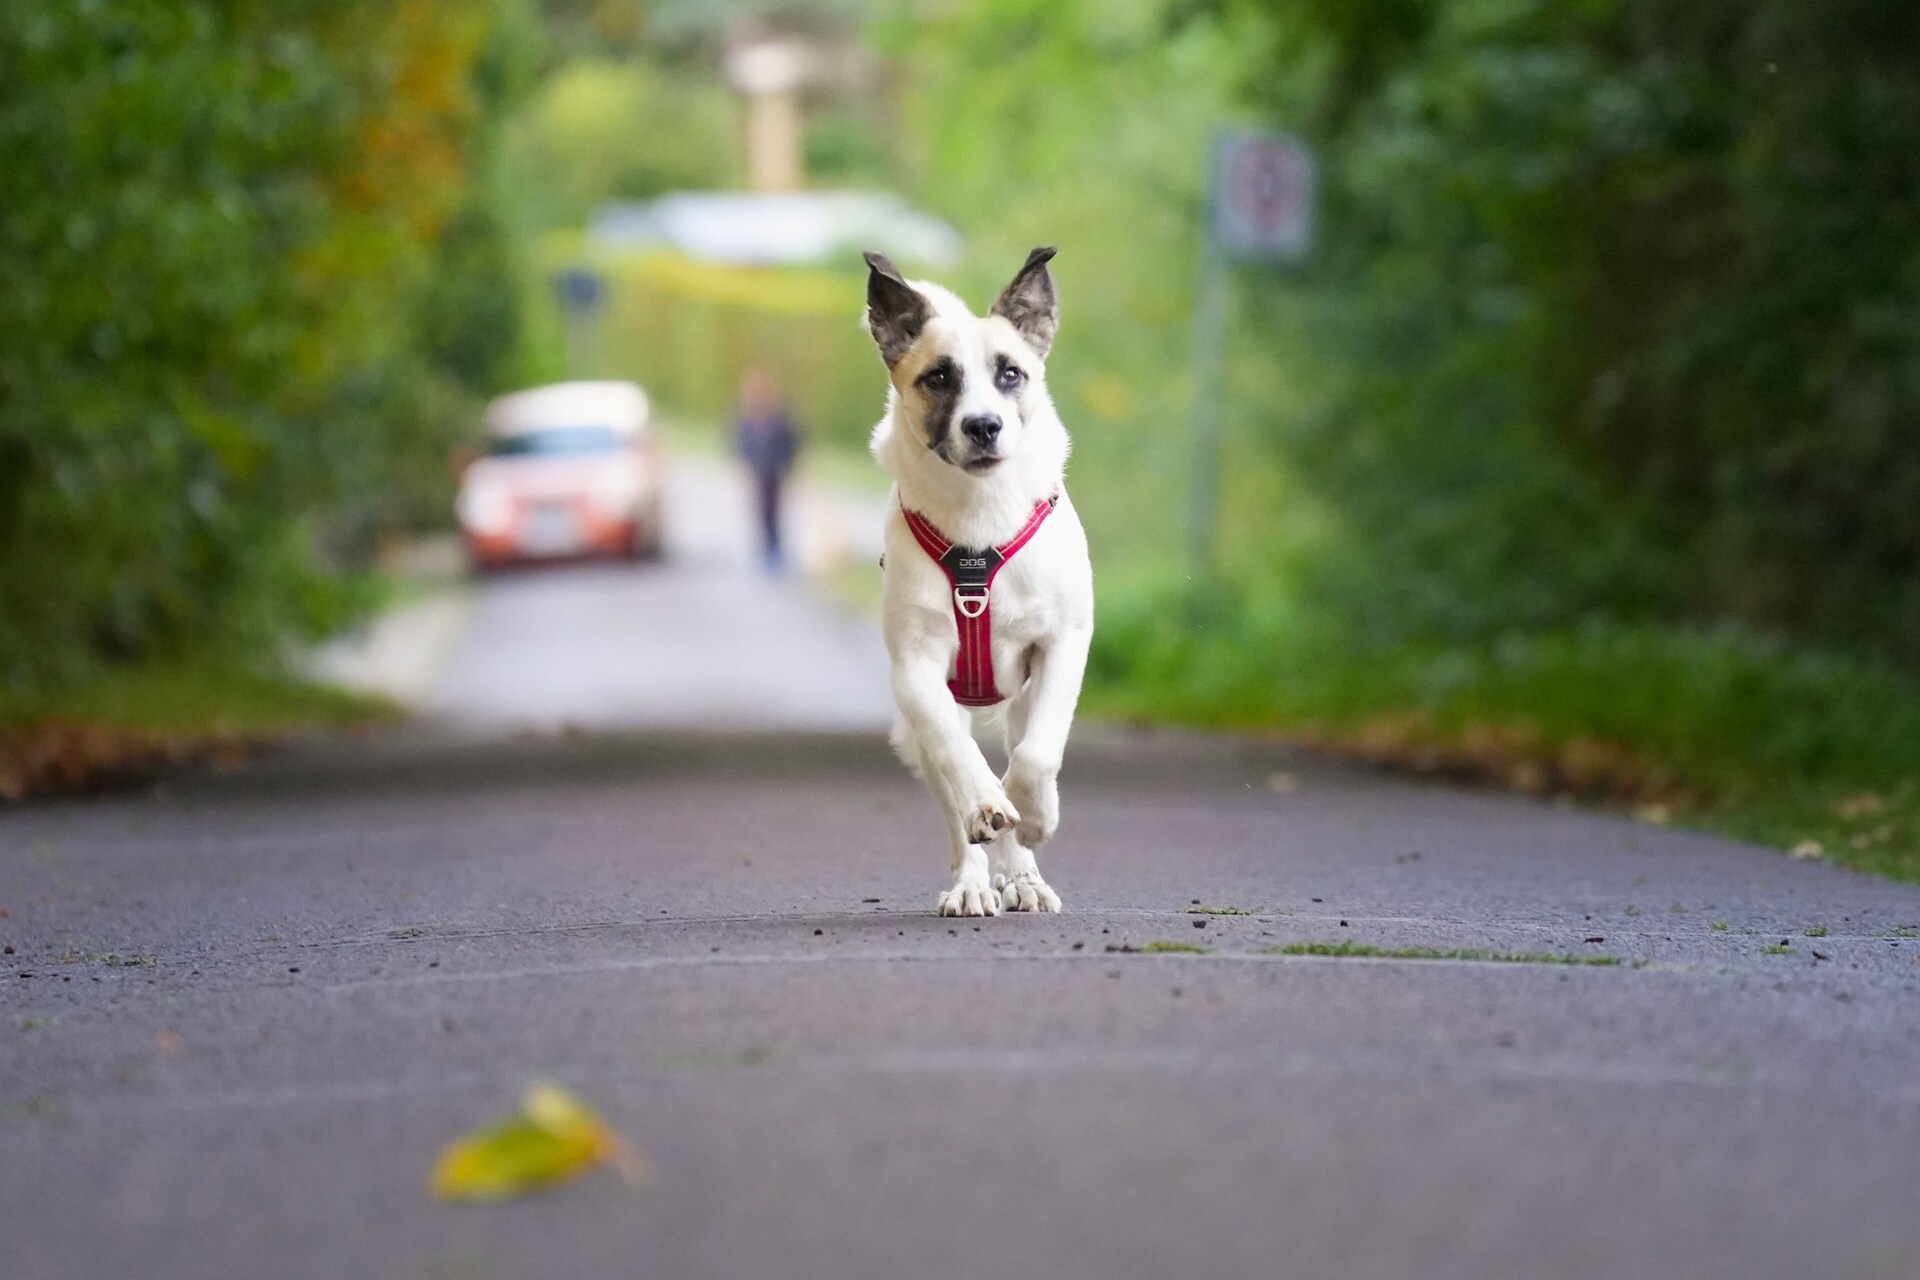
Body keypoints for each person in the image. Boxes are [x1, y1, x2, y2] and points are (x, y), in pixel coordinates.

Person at [733, 366, 801, 573]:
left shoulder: (779, 417)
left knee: (775, 513)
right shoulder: (747, 417)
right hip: (758, 472)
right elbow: (741, 442)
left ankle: (776, 552)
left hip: (775, 472)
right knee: (760, 513)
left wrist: (787, 465)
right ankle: (764, 551)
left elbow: (792, 442)